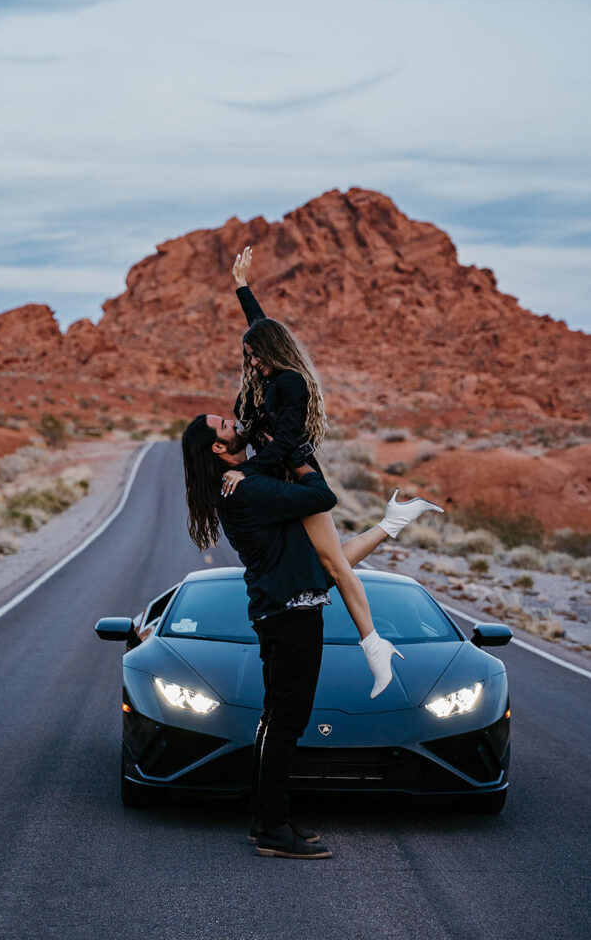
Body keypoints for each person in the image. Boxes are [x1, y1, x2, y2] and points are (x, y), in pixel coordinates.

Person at [181, 413, 441, 859]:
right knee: (285, 724)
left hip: (282, 615)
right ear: (219, 450)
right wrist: (297, 454)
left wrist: (387, 526)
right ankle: (273, 830)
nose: (233, 421)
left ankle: (266, 820)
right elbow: (322, 496)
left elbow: (330, 562)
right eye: (224, 425)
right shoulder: (249, 490)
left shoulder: (245, 482)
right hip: (290, 618)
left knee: (276, 720)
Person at [221, 246, 443, 698]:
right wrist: (243, 288)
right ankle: (393, 521)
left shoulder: (291, 383)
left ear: (271, 354)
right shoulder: (269, 374)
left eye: (256, 357)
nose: (252, 364)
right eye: (250, 358)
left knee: (335, 569)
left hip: (296, 474)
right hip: (277, 475)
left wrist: (248, 474)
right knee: (321, 566)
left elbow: (284, 443)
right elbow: (260, 329)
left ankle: (375, 649)